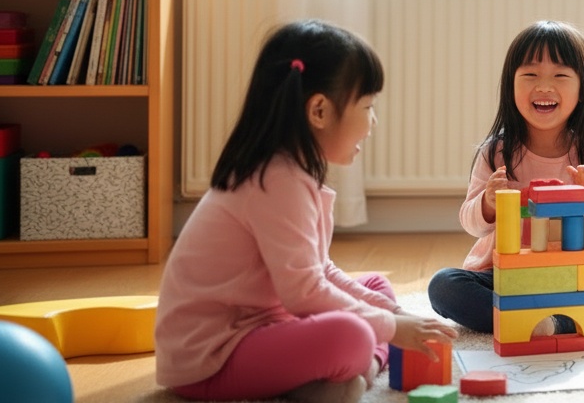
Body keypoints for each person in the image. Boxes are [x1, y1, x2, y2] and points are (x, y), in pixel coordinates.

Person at [155, 20, 457, 403]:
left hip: (264, 325)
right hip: (212, 358)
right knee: (355, 336)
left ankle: (335, 380)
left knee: (376, 287)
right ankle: (347, 372)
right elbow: (304, 292)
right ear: (319, 110)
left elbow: (320, 270)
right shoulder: (277, 180)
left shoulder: (289, 171)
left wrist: (396, 313)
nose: (372, 123)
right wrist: (390, 326)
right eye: (367, 107)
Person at [427, 20, 584, 335]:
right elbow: (472, 224)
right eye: (530, 75)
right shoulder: (496, 152)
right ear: (511, 84)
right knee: (444, 286)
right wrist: (488, 203)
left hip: (572, 277)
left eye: (560, 76)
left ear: (582, 88)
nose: (544, 87)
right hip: (504, 277)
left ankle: (549, 324)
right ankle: (546, 320)